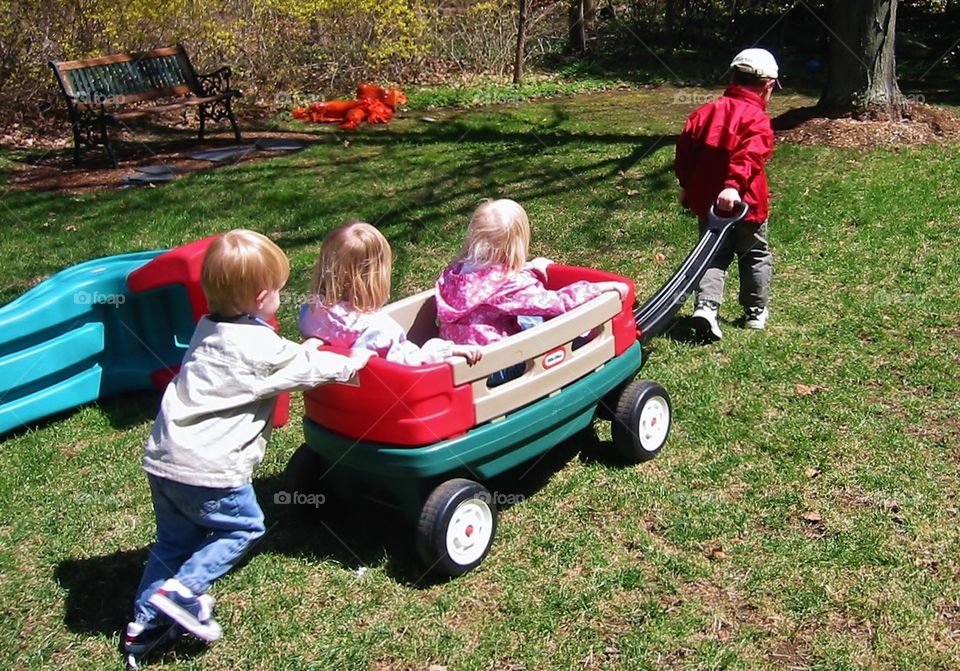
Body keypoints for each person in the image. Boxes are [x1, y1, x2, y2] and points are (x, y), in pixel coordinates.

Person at [125, 229, 373, 666]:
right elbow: (304, 367)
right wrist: (353, 362)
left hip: (165, 459)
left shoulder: (208, 328)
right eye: (277, 291)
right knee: (242, 527)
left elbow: (279, 357)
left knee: (172, 543)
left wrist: (303, 348)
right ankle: (181, 593)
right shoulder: (260, 350)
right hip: (211, 469)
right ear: (262, 297)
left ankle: (143, 628)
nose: (280, 296)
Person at [435, 198, 627, 383]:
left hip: (460, 363)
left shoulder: (453, 274)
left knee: (524, 317)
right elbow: (557, 303)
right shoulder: (507, 284)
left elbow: (486, 278)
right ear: (516, 246)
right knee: (536, 318)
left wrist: (529, 267)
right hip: (494, 368)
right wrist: (599, 288)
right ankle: (578, 348)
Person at [675, 47, 779, 340]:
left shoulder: (704, 113)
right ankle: (755, 312)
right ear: (768, 86)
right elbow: (750, 156)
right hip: (749, 205)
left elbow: (684, 155)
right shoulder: (758, 120)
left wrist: (685, 185)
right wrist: (733, 186)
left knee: (713, 255)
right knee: (754, 255)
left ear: (732, 77)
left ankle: (707, 308)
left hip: (712, 208)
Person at [299, 221, 482, 365]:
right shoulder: (379, 330)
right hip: (383, 400)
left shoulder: (311, 314)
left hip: (340, 400)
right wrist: (444, 350)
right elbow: (411, 364)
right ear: (375, 278)